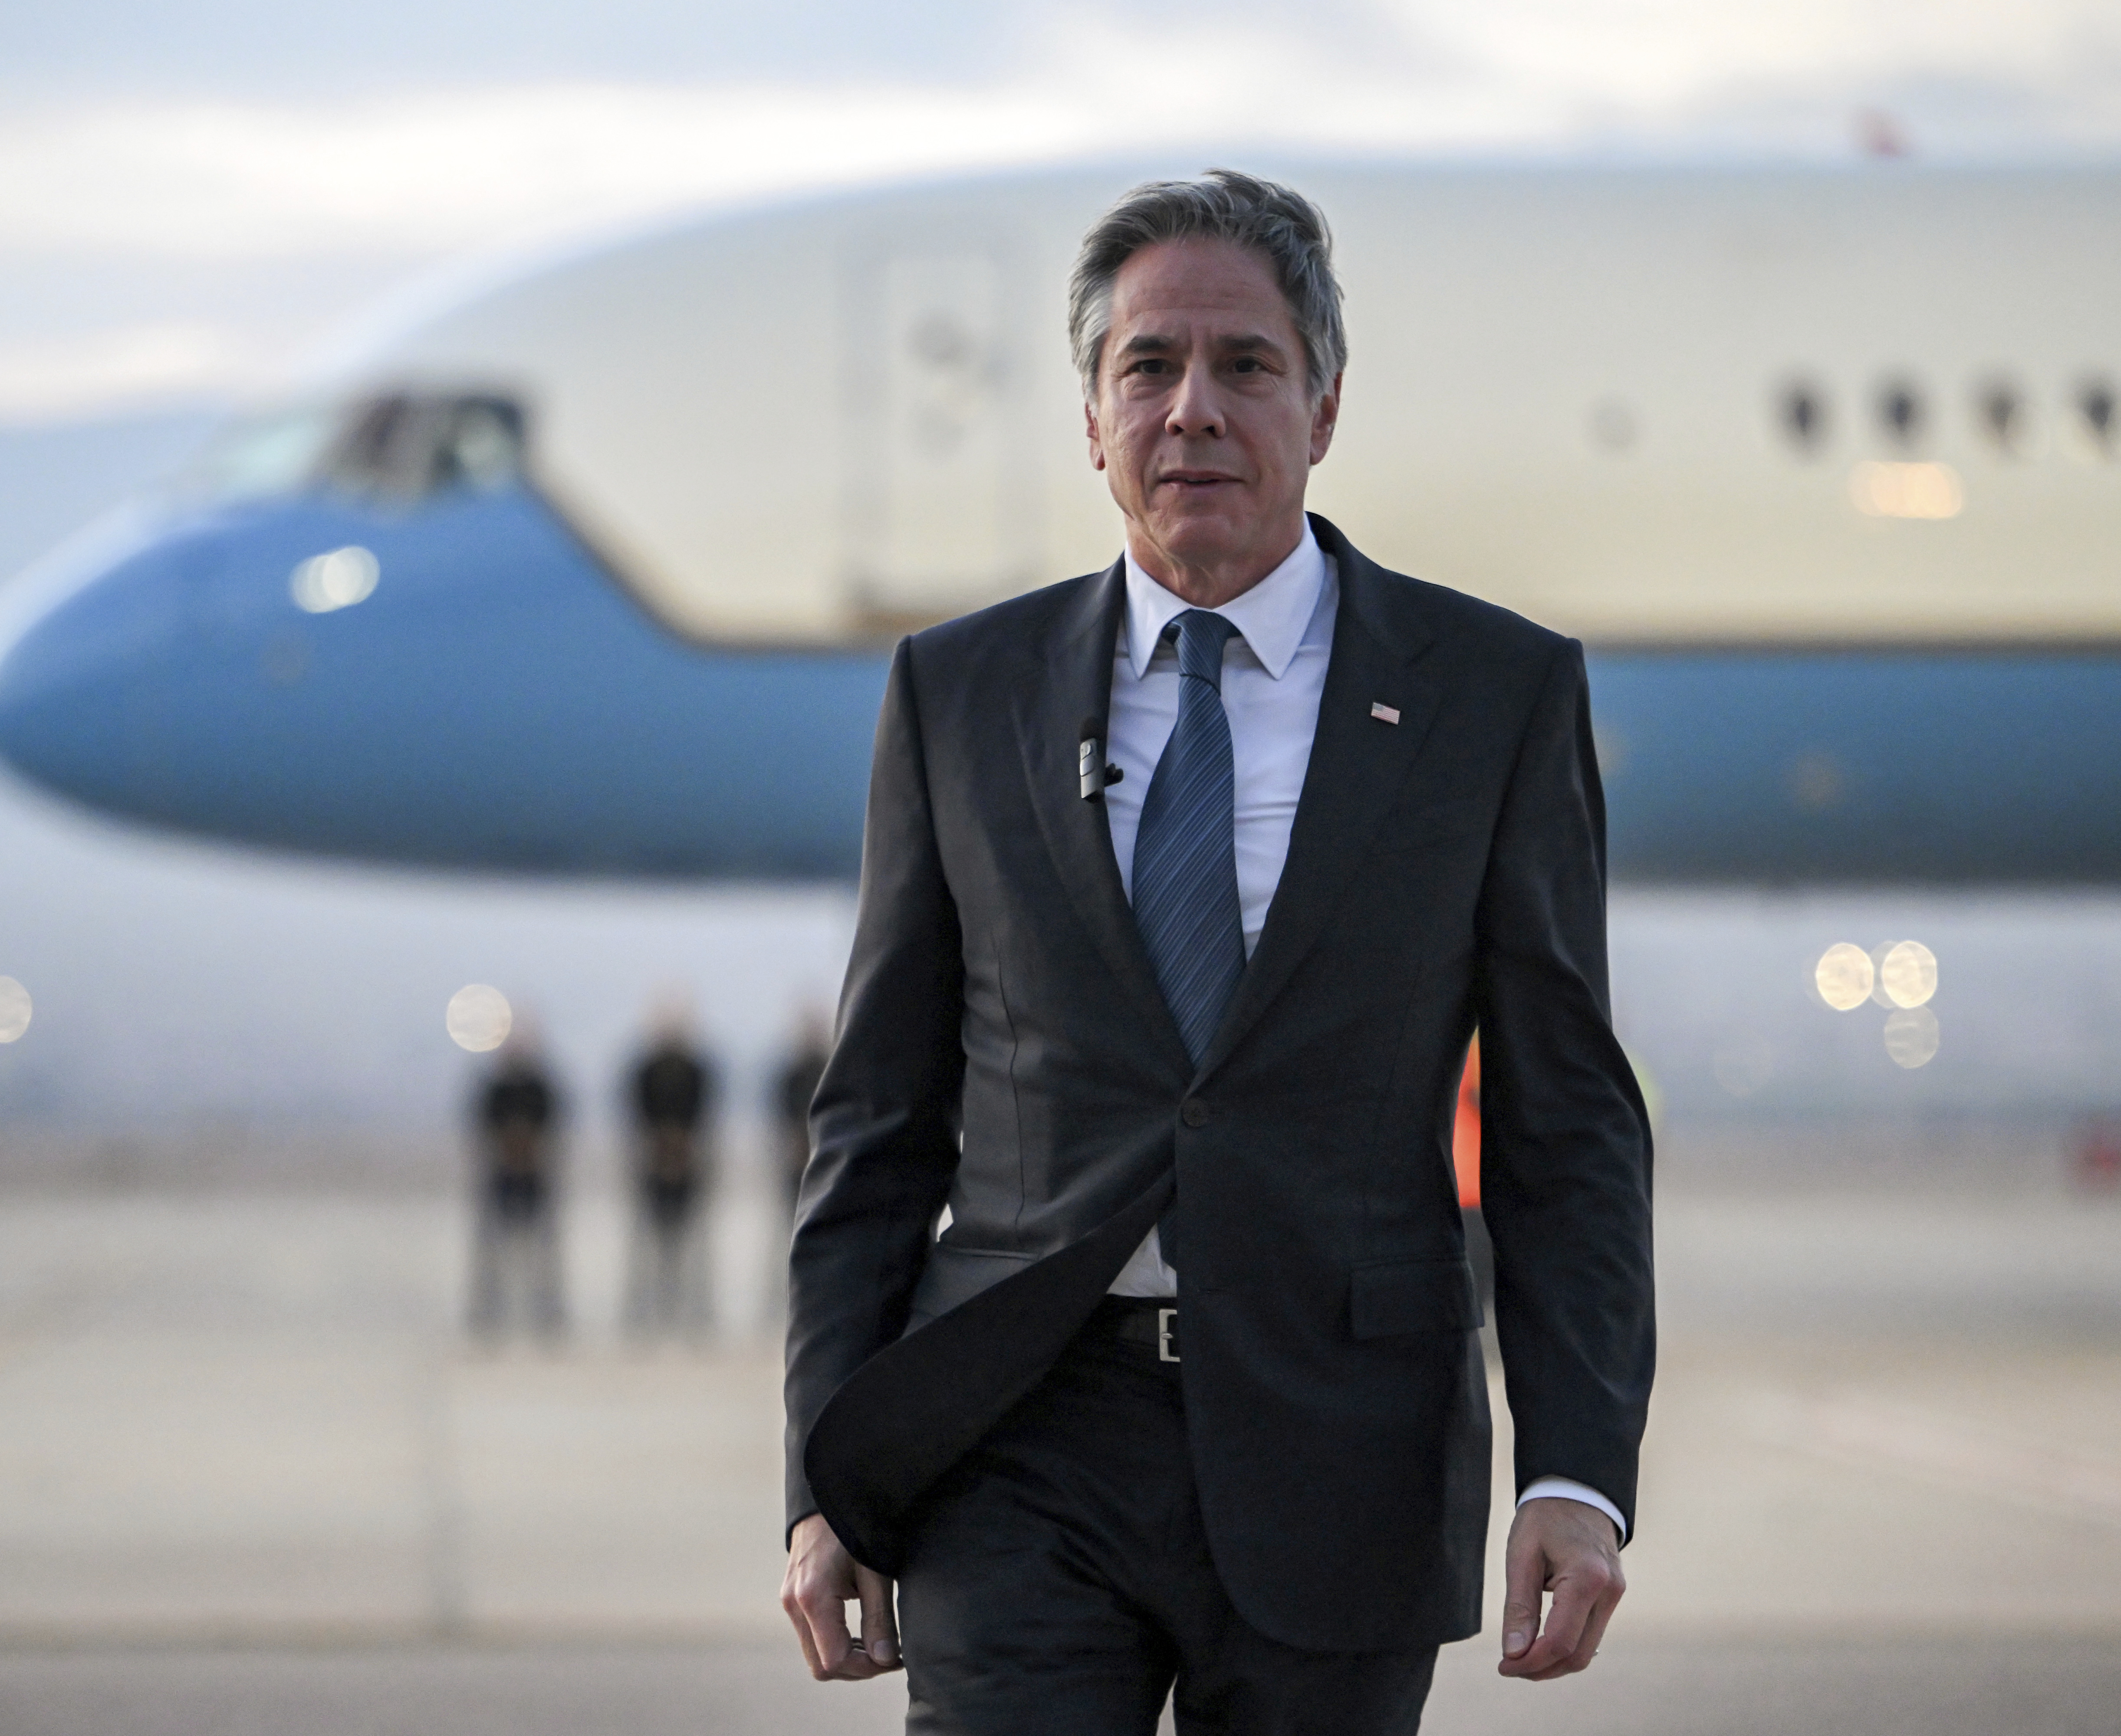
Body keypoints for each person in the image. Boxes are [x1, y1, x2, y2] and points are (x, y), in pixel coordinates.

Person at [781, 170, 1654, 1735]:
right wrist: (819, 1473)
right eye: (1147, 366)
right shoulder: (957, 696)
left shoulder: (1488, 696)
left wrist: (1577, 1470)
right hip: (1015, 1430)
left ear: (1321, 407)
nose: (1193, 408)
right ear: (1092, 414)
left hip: (1346, 1443)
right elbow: (877, 1117)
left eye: (1244, 365)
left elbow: (1565, 1122)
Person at [466, 1027, 565, 1341]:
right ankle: (489, 1312)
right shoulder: (494, 1090)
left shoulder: (541, 1089)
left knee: (542, 1252)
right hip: (501, 1179)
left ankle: (545, 1311)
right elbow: (483, 1133)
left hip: (536, 1179)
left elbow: (553, 1132)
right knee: (494, 1251)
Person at [625, 1007, 717, 1337]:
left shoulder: (697, 1070)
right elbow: (636, 1118)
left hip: (691, 1166)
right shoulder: (644, 1070)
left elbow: (706, 1118)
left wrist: (685, 1150)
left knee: (694, 1245)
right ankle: (644, 1312)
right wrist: (658, 1149)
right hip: (651, 1167)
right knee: (647, 1244)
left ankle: (696, 1313)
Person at [773, 1008, 832, 1215]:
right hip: (797, 1154)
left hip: (826, 1151)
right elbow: (783, 1115)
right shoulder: (792, 1074)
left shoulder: (831, 1071)